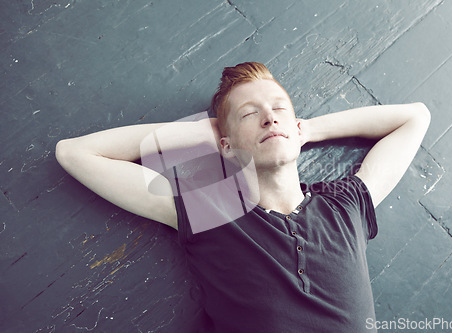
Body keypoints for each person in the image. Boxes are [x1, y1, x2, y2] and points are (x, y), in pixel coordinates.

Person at [55, 62, 430, 332]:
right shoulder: (211, 212)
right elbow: (75, 154)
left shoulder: (344, 207)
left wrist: (308, 129)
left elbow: (416, 117)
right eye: (250, 114)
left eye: (279, 109)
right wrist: (204, 134)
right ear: (226, 143)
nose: (270, 118)